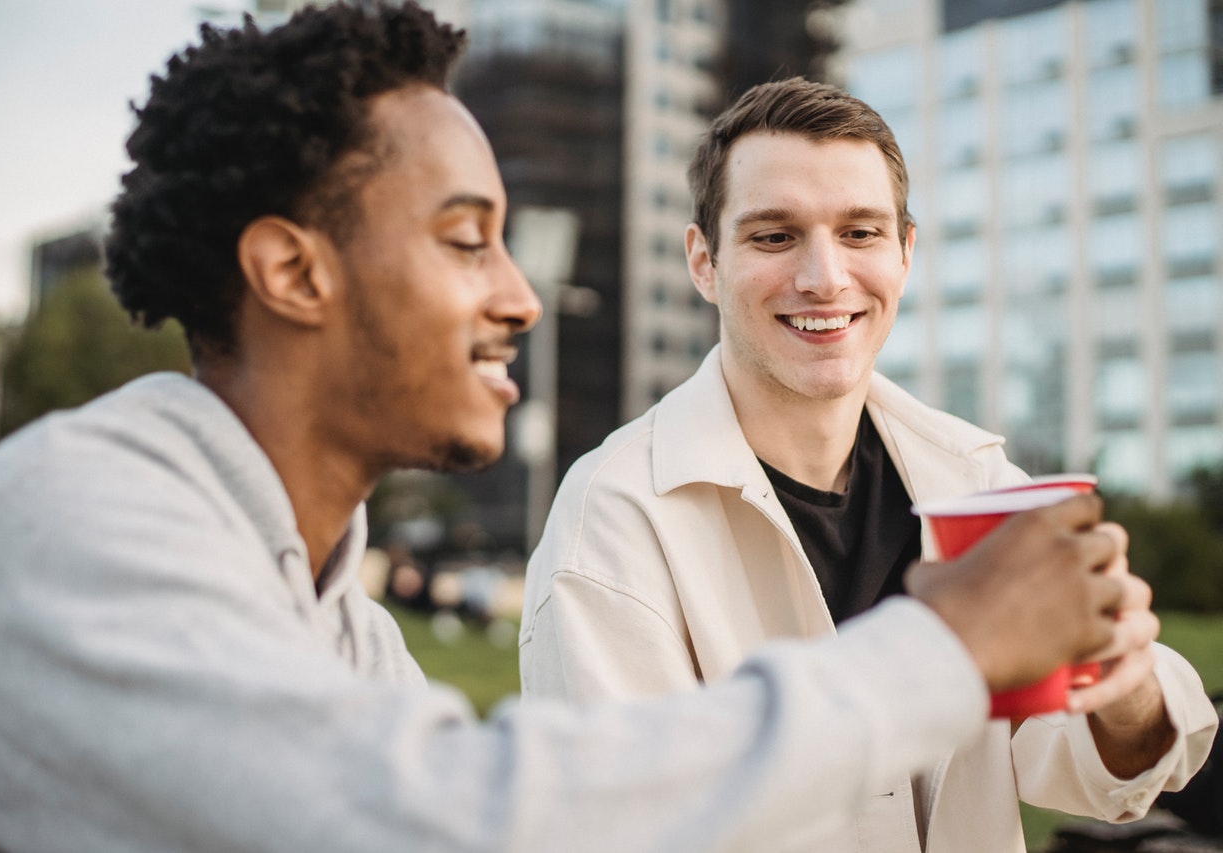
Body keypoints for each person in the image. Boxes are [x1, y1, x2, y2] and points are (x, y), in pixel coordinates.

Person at [0, 6, 1173, 851]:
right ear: (293, 272)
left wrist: (1108, 687)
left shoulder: (335, 620)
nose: (520, 295)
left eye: (859, 233)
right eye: (465, 237)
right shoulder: (73, 516)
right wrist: (945, 648)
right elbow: (475, 822)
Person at [519, 76, 1218, 852]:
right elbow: (626, 827)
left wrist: (1123, 688)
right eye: (774, 236)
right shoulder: (613, 520)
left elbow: (1105, 766)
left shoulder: (977, 479)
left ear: (906, 251)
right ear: (703, 261)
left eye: (860, 232)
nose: (824, 277)